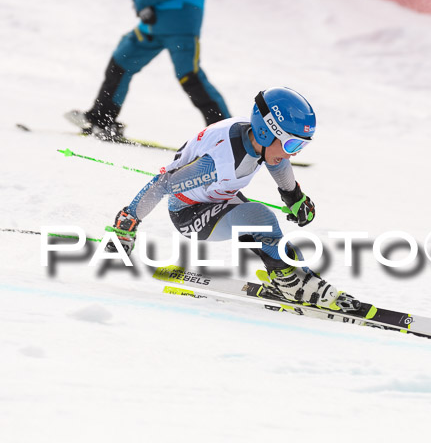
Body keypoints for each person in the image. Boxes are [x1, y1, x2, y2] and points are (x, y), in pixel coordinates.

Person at [103, 87, 367, 315]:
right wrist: (127, 222)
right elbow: (163, 184)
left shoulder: (256, 140)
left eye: (300, 147)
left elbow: (275, 160)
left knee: (266, 228)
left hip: (217, 199)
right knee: (259, 217)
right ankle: (289, 280)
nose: (293, 154)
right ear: (266, 132)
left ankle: (292, 275)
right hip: (189, 213)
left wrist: (294, 196)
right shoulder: (220, 162)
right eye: (291, 146)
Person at [66, 0, 230, 140]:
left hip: (180, 22)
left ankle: (226, 134)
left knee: (189, 76)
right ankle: (102, 120)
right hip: (152, 23)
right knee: (121, 63)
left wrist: (143, 1)